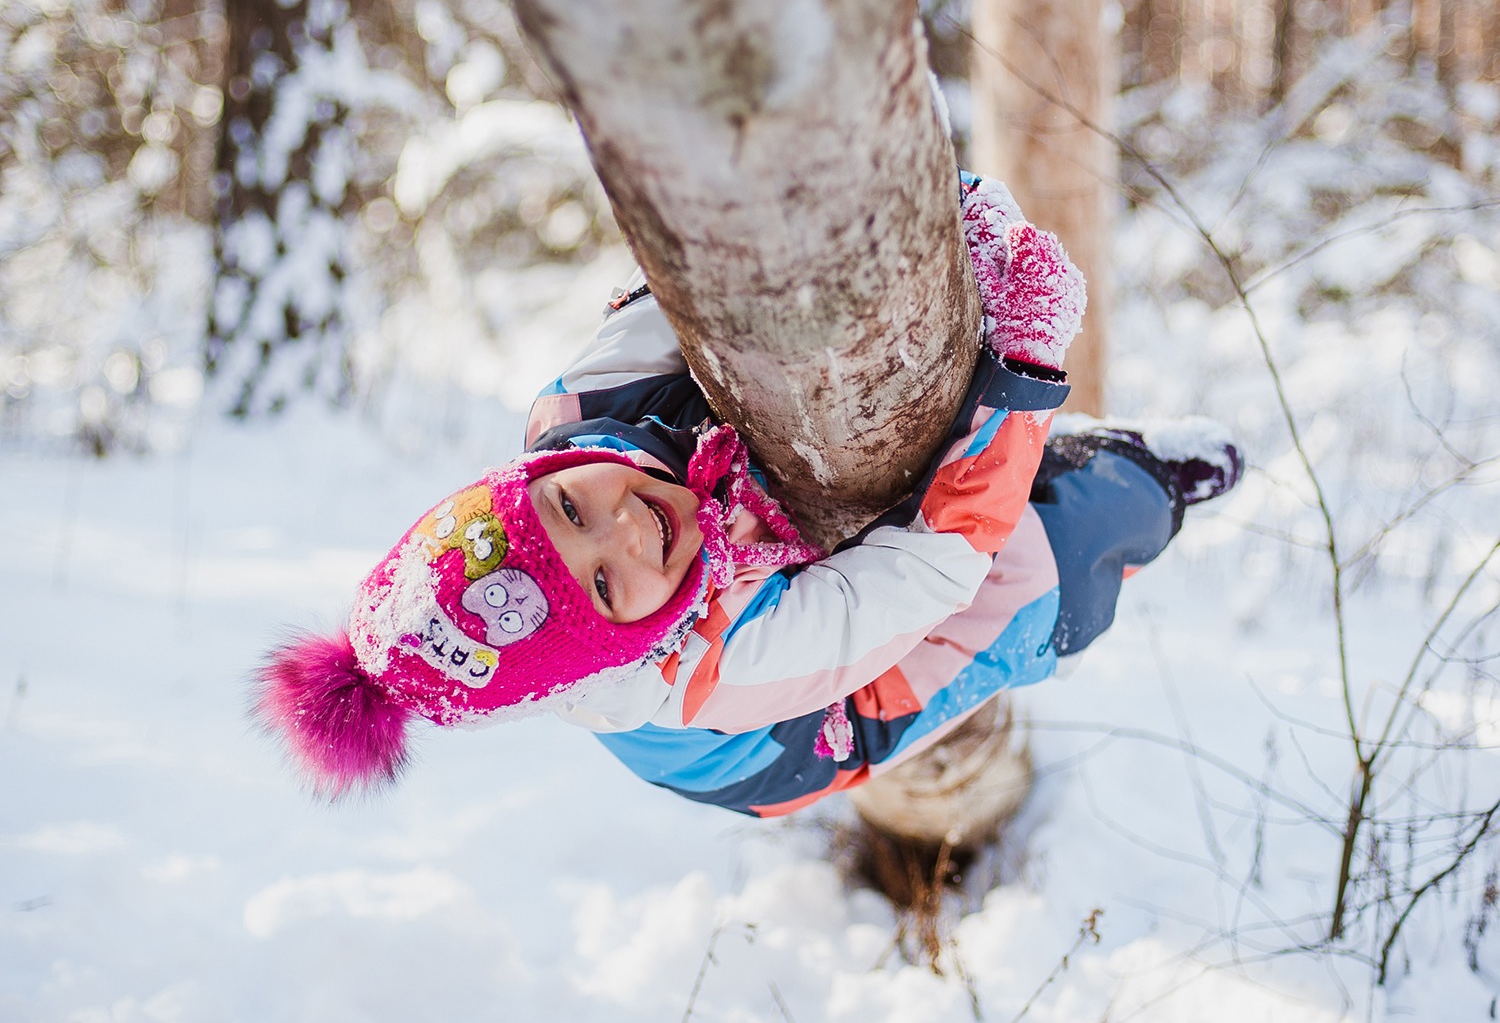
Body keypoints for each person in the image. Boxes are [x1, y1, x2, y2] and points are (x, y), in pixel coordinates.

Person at [254, 173, 1241, 813]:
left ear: (533, 477)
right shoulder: (719, 664)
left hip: (715, 620)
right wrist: (1019, 361)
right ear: (613, 640)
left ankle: (1009, 443)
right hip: (778, 741)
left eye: (568, 510)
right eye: (604, 585)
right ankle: (1149, 482)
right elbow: (939, 563)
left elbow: (684, 289)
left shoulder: (578, 408)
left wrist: (903, 219)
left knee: (894, 440)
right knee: (1038, 567)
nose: (626, 529)